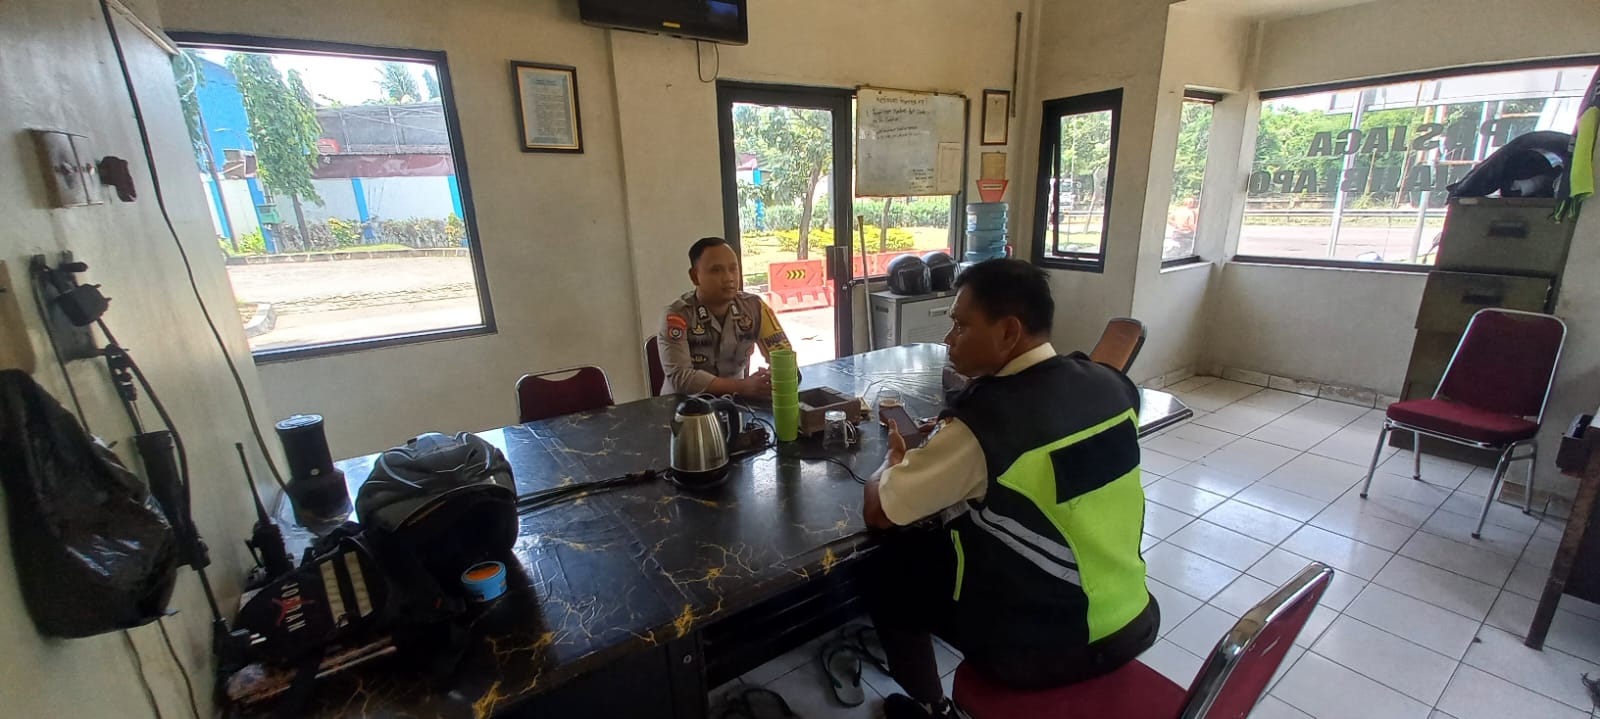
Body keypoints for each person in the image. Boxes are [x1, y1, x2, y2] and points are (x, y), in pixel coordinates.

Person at [860, 259, 1157, 719]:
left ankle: (933, 708)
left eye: (961, 325)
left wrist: (892, 462)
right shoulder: (1112, 385)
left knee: (889, 570)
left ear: (1008, 331)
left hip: (1044, 648)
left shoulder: (985, 422)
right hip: (1133, 615)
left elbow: (880, 511)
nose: (949, 338)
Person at [658, 237, 794, 396]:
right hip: (684, 403)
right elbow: (681, 378)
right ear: (695, 276)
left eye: (733, 269)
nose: (728, 277)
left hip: (736, 401)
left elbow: (784, 356)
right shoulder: (677, 315)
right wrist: (742, 387)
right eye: (716, 270)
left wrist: (772, 377)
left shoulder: (754, 307)